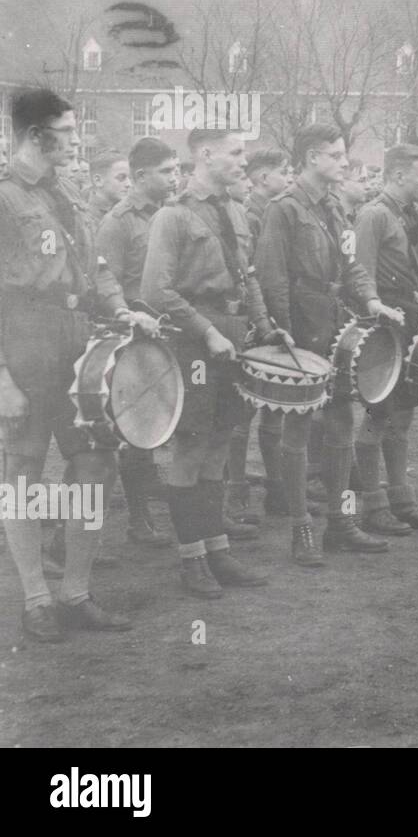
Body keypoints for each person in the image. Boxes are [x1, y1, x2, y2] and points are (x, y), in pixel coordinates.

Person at [0, 89, 160, 641]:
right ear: (36, 135)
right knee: (21, 475)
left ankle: (76, 592)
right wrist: (1, 379)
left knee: (96, 465)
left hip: (77, 346)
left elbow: (95, 265)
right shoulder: (2, 196)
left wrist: (121, 310)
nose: (76, 140)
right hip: (22, 344)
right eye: (67, 132)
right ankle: (36, 599)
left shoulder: (69, 192)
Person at [141, 130, 287, 598]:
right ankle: (192, 559)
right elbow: (156, 292)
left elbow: (247, 276)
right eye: (236, 153)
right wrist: (207, 331)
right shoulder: (173, 215)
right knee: (191, 447)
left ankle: (217, 550)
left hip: (234, 335)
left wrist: (265, 326)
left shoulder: (235, 210)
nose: (244, 162)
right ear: (205, 155)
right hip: (193, 340)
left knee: (221, 442)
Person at [255, 123, 403, 565]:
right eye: (337, 156)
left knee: (340, 424)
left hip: (336, 325)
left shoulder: (337, 208)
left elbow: (353, 263)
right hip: (301, 326)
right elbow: (272, 276)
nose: (344, 163)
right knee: (298, 427)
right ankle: (302, 530)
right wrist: (285, 335)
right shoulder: (282, 210)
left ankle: (341, 523)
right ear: (312, 158)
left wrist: (373, 301)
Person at [352, 143, 418, 532]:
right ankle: (372, 505)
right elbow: (360, 272)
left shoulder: (414, 214)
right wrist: (374, 308)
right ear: (398, 176)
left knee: (402, 415)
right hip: (383, 327)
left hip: (409, 319)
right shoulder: (374, 216)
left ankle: (401, 499)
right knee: (375, 415)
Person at [96, 135, 180, 547]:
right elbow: (104, 278)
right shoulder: (119, 221)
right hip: (132, 334)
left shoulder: (172, 213)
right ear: (140, 175)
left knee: (167, 419)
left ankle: (164, 502)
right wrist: (129, 317)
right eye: (166, 171)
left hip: (169, 328)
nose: (174, 178)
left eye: (176, 169)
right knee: (135, 428)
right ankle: (138, 519)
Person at [230, 148, 292, 518]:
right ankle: (236, 491)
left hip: (270, 319)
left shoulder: (274, 212)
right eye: (283, 172)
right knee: (242, 412)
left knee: (274, 406)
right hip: (253, 321)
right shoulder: (250, 215)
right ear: (262, 178)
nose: (288, 178)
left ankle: (277, 486)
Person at [86, 148, 130, 231]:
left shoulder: (127, 213)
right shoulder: (86, 218)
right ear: (98, 180)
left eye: (129, 177)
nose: (128, 184)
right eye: (121, 178)